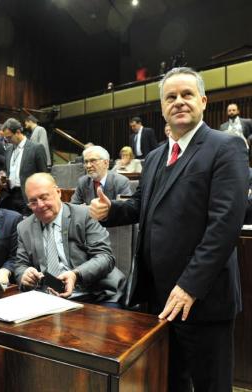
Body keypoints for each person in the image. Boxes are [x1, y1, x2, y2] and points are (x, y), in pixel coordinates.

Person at [89, 67, 249, 392]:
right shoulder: (156, 155)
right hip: (160, 298)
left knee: (211, 385)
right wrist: (111, 211)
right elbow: (141, 204)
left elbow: (225, 226)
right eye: (170, 97)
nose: (179, 102)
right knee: (169, 381)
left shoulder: (225, 147)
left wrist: (189, 285)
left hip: (202, 297)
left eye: (187, 94)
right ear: (162, 108)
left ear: (203, 101)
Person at [15, 173, 125, 306]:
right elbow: (21, 265)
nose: (40, 205)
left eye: (44, 197)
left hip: (94, 295)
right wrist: (24, 275)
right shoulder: (24, 227)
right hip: (48, 299)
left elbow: (105, 257)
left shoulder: (84, 215)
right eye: (33, 202)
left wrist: (75, 274)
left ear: (58, 192)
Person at [2, 118, 47, 215]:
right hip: (11, 195)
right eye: (6, 139)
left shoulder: (36, 148)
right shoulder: (9, 150)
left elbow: (44, 175)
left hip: (28, 197)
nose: (8, 141)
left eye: (9, 137)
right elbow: (7, 171)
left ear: (18, 132)